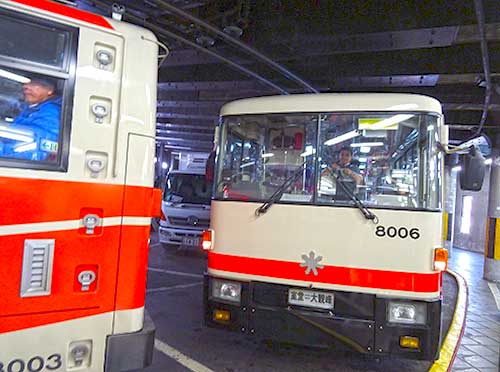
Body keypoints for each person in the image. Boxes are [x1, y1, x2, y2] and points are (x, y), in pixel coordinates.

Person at [4, 77, 61, 161]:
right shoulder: (29, 108)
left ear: (50, 90)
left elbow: (34, 153)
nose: (26, 86)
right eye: (26, 83)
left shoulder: (50, 114)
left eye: (34, 84)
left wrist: (2, 149)